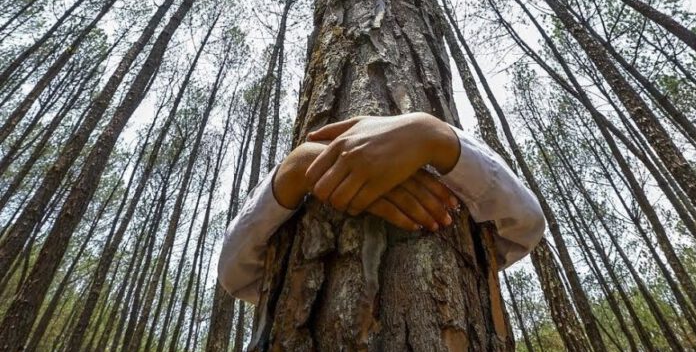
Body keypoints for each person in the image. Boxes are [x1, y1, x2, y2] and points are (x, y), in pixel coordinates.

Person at [218, 112, 546, 304]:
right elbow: (235, 274)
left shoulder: (458, 158)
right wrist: (294, 170)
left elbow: (525, 224)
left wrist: (433, 135)